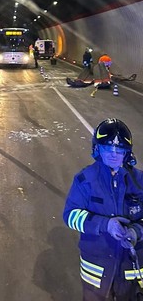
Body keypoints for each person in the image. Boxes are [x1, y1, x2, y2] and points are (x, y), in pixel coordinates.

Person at [63, 118, 143, 300]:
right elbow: (70, 215)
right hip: (96, 272)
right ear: (97, 149)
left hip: (130, 273)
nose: (113, 154)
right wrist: (105, 225)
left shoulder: (140, 182)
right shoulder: (84, 180)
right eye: (108, 149)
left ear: (127, 153)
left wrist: (136, 231)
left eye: (119, 150)